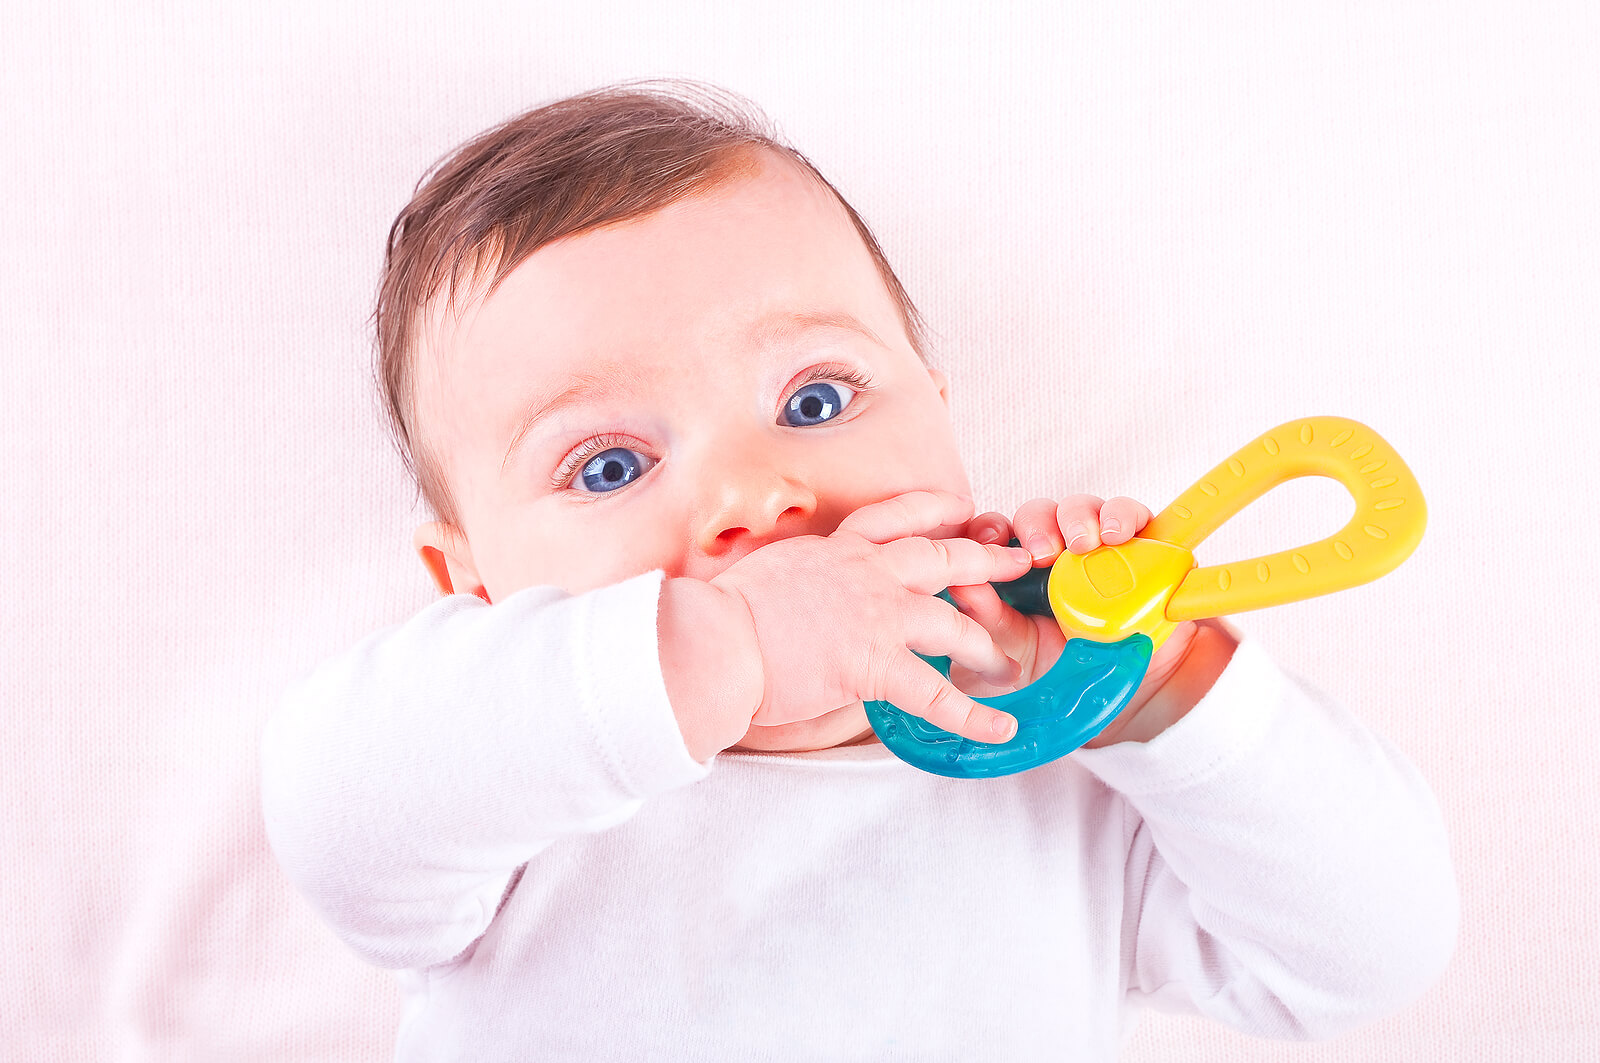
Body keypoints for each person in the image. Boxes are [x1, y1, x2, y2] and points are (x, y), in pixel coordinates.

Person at [261, 82, 1456, 1060]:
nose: (751, 494)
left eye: (814, 399)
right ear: (468, 586)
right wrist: (722, 647)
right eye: (610, 466)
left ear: (942, 422)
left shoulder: (1050, 766)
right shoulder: (516, 774)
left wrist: (1160, 689)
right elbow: (332, 804)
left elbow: (1364, 956)